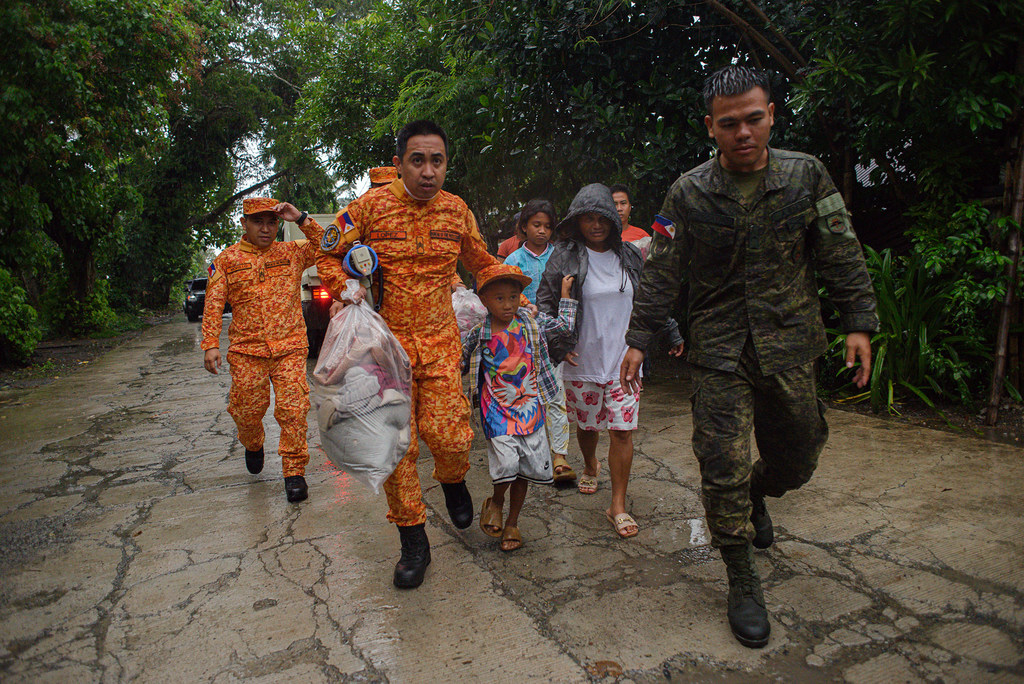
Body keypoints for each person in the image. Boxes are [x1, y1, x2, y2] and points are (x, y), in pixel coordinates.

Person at [620, 65, 878, 649]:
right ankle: (741, 576)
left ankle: (763, 492)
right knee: (721, 465)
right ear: (710, 126)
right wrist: (639, 338)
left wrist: (858, 322)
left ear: (770, 116)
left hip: (790, 344)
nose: (743, 132)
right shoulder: (687, 193)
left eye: (754, 119)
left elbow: (841, 251)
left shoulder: (804, 176)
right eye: (729, 122)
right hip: (719, 351)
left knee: (799, 456)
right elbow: (662, 273)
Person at [278, 120, 503, 589]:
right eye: (417, 161)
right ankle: (413, 541)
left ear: (446, 164)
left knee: (452, 436)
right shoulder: (369, 207)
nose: (427, 171)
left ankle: (453, 478)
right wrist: (346, 288)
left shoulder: (457, 211)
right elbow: (326, 253)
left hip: (440, 344)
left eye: (436, 161)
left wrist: (513, 293)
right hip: (384, 350)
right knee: (396, 448)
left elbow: (482, 262)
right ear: (398, 164)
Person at [537, 183, 681, 538]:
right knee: (588, 426)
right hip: (582, 359)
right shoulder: (564, 255)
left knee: (622, 431)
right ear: (577, 221)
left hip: (625, 360)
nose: (596, 225)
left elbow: (649, 299)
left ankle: (617, 503)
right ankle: (589, 463)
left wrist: (672, 331)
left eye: (602, 217)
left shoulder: (630, 256)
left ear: (613, 220)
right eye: (588, 219)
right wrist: (558, 341)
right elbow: (544, 303)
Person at [201, 197, 319, 503]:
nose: (266, 229)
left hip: (290, 347)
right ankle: (253, 443)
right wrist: (211, 344)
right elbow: (213, 303)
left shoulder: (291, 253)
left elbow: (328, 245)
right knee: (247, 412)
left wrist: (301, 218)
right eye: (258, 222)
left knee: (294, 411)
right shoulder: (227, 260)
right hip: (246, 351)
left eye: (271, 222)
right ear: (244, 224)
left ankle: (294, 472)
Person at [461, 264, 578, 551]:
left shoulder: (530, 323)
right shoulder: (479, 334)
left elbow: (563, 327)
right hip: (496, 411)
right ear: (484, 300)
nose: (508, 304)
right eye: (499, 298)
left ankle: (512, 522)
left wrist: (566, 295)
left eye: (513, 297)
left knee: (525, 469)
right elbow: (458, 361)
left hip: (531, 408)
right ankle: (497, 500)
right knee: (507, 464)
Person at [503, 200, 576, 483]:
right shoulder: (513, 262)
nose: (542, 231)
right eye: (536, 225)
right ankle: (532, 454)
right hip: (520, 337)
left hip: (553, 334)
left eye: (547, 226)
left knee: (556, 395)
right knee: (524, 395)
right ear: (524, 227)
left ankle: (560, 457)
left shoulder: (559, 256)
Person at [609, 184, 652, 259]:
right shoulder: (601, 235)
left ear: (630, 207)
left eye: (623, 203)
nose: (619, 208)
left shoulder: (642, 237)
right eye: (615, 204)